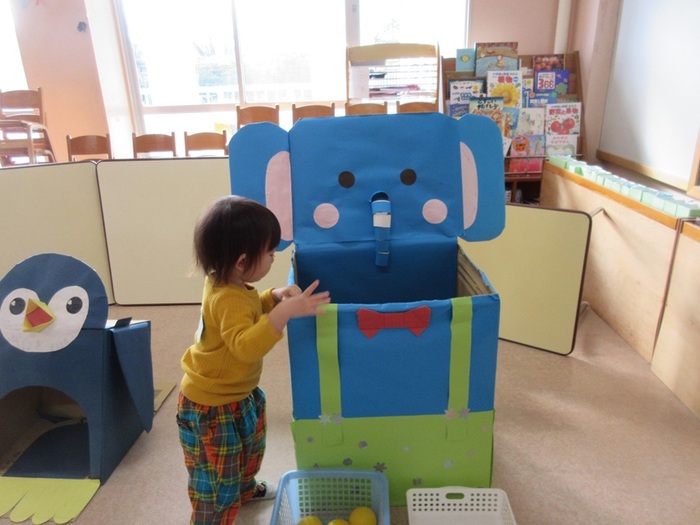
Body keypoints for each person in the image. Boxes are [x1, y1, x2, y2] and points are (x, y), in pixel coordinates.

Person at [176, 195, 331, 525]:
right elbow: (246, 346)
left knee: (249, 450)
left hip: (236, 394)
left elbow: (247, 309)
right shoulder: (226, 297)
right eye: (270, 253)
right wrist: (282, 314)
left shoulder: (230, 283)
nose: (274, 257)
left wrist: (272, 297)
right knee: (217, 479)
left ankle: (245, 489)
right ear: (242, 262)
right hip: (211, 407)